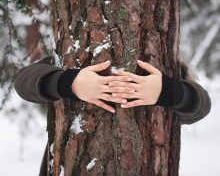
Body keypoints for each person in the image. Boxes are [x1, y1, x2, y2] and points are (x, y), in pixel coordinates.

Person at [14, 56, 211, 176]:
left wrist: (168, 91)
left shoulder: (170, 65)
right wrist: (68, 82)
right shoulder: (67, 55)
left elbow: (201, 106)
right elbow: (23, 82)